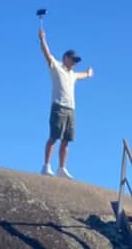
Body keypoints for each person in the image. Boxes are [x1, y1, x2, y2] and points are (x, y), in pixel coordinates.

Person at [39, 27, 94, 179]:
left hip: (71, 109)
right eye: (73, 59)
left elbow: (81, 75)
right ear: (66, 58)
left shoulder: (73, 74)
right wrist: (42, 39)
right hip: (58, 106)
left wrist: (88, 74)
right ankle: (46, 166)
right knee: (54, 137)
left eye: (76, 61)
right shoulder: (57, 67)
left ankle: (62, 168)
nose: (75, 63)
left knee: (67, 140)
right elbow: (47, 54)